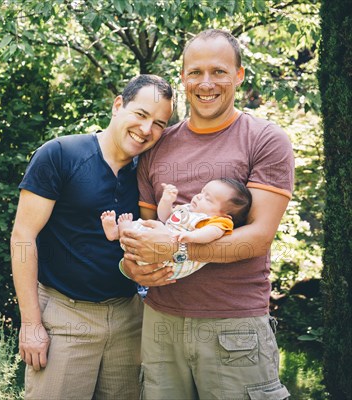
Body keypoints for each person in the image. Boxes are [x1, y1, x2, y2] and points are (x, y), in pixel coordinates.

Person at [120, 29, 294, 399]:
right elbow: (147, 230)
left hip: (234, 324)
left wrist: (173, 249)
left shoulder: (264, 139)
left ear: (239, 75)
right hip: (160, 322)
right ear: (183, 77)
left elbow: (258, 237)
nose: (206, 83)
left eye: (218, 71)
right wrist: (131, 265)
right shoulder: (157, 144)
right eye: (195, 72)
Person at [10, 74, 174, 400]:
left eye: (158, 123)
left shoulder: (146, 172)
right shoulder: (60, 154)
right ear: (117, 106)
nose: (146, 130)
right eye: (140, 115)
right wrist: (30, 323)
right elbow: (23, 236)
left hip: (129, 317)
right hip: (66, 316)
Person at [101, 178, 251, 280]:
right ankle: (116, 232)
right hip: (153, 247)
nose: (199, 197)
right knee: (144, 225)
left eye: (208, 198)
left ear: (225, 215)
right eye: (202, 192)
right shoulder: (188, 209)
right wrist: (167, 201)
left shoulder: (218, 222)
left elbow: (211, 234)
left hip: (174, 262)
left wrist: (191, 237)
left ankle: (123, 232)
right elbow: (164, 216)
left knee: (144, 230)